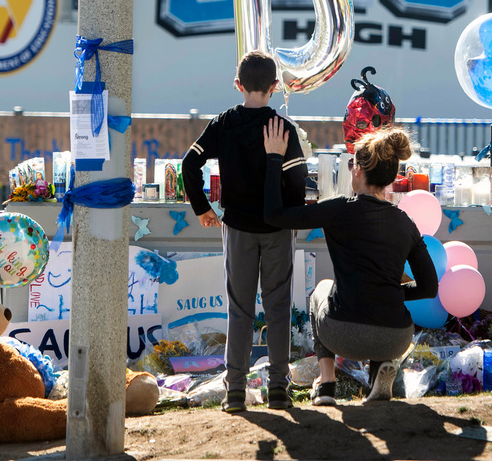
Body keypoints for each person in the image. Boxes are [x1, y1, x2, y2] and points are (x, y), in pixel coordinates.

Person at [262, 117, 438, 404]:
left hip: (343, 334)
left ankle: (326, 383)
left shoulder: (338, 210)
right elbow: (430, 288)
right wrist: (392, 293)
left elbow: (275, 215)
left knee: (322, 289)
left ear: (358, 172)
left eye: (351, 164)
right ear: (392, 177)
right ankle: (380, 370)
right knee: (379, 302)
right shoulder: (405, 222)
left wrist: (273, 159)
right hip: (396, 337)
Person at [182, 51, 308, 413]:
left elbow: (190, 164)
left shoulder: (224, 123)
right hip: (277, 229)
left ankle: (234, 391)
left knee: (239, 310)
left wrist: (203, 207)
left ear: (238, 85)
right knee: (278, 308)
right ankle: (278, 390)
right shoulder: (283, 128)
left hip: (236, 227)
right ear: (274, 87)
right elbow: (298, 185)